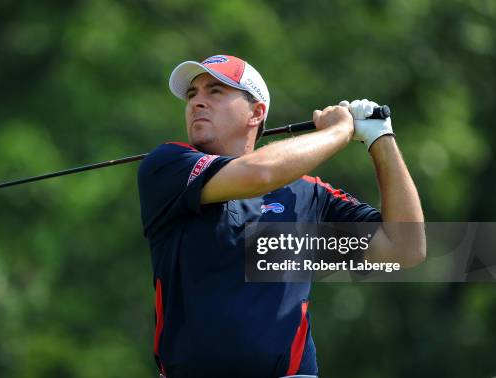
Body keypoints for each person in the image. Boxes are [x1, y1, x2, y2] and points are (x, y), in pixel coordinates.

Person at [137, 54, 425, 378]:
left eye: (215, 91)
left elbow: (405, 248)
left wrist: (380, 138)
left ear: (256, 113)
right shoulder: (167, 167)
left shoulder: (307, 196)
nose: (197, 102)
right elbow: (260, 173)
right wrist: (339, 132)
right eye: (193, 94)